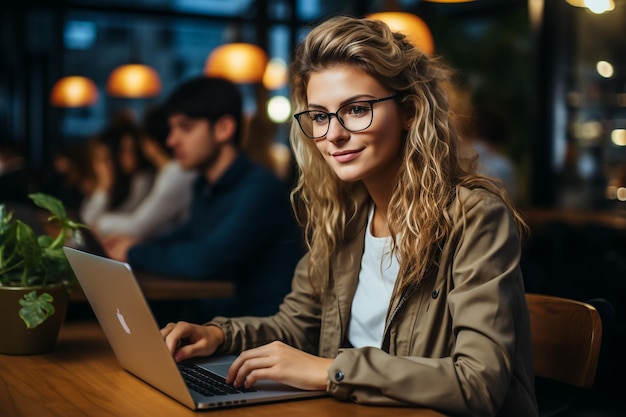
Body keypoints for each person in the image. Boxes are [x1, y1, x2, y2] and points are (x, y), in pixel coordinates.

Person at [160, 16, 538, 417]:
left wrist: (330, 372)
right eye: (320, 116)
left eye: (357, 109)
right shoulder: (344, 214)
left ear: (410, 110)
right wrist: (220, 334)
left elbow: (479, 383)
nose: (333, 134)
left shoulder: (475, 216)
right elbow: (298, 325)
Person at [103, 76, 303, 320]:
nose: (171, 140)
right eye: (172, 128)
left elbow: (206, 260)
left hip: (257, 337)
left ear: (223, 128)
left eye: (185, 128)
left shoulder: (260, 187)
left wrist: (134, 252)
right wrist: (131, 246)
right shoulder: (204, 185)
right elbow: (185, 237)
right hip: (213, 326)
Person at [95, 104, 196, 240]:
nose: (173, 140)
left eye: (186, 129)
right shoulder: (169, 172)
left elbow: (139, 226)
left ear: (149, 143)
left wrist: (100, 223)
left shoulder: (177, 173)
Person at [79, 116, 155, 229]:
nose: (101, 166)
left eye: (105, 159)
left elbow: (88, 225)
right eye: (98, 159)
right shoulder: (101, 183)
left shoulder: (141, 180)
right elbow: (83, 225)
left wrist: (104, 188)